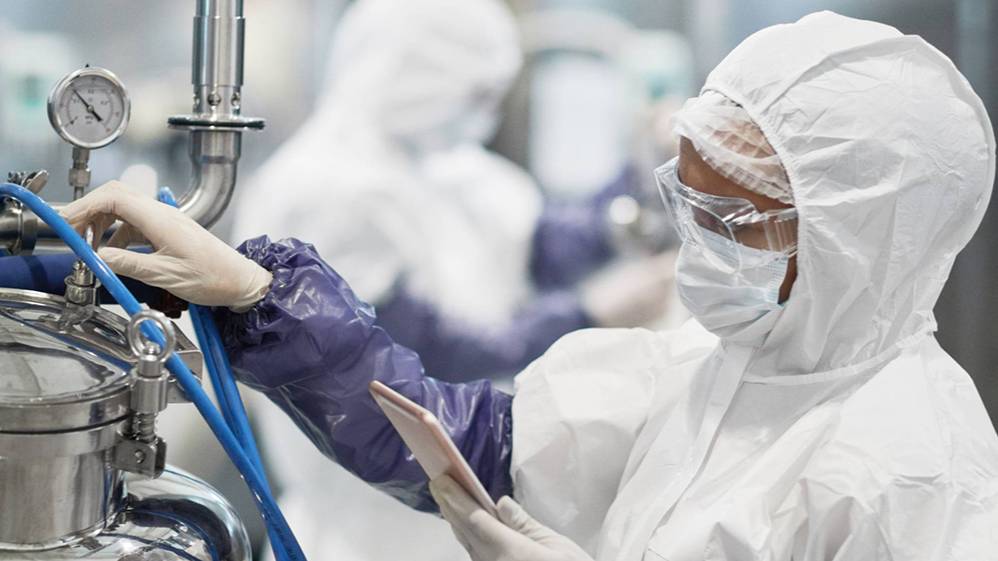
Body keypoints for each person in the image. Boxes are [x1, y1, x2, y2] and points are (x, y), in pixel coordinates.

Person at [62, 11, 998, 561]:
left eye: (731, 219)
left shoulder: (913, 472)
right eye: (687, 203)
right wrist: (263, 296)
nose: (699, 247)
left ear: (854, 242)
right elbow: (471, 443)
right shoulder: (713, 372)